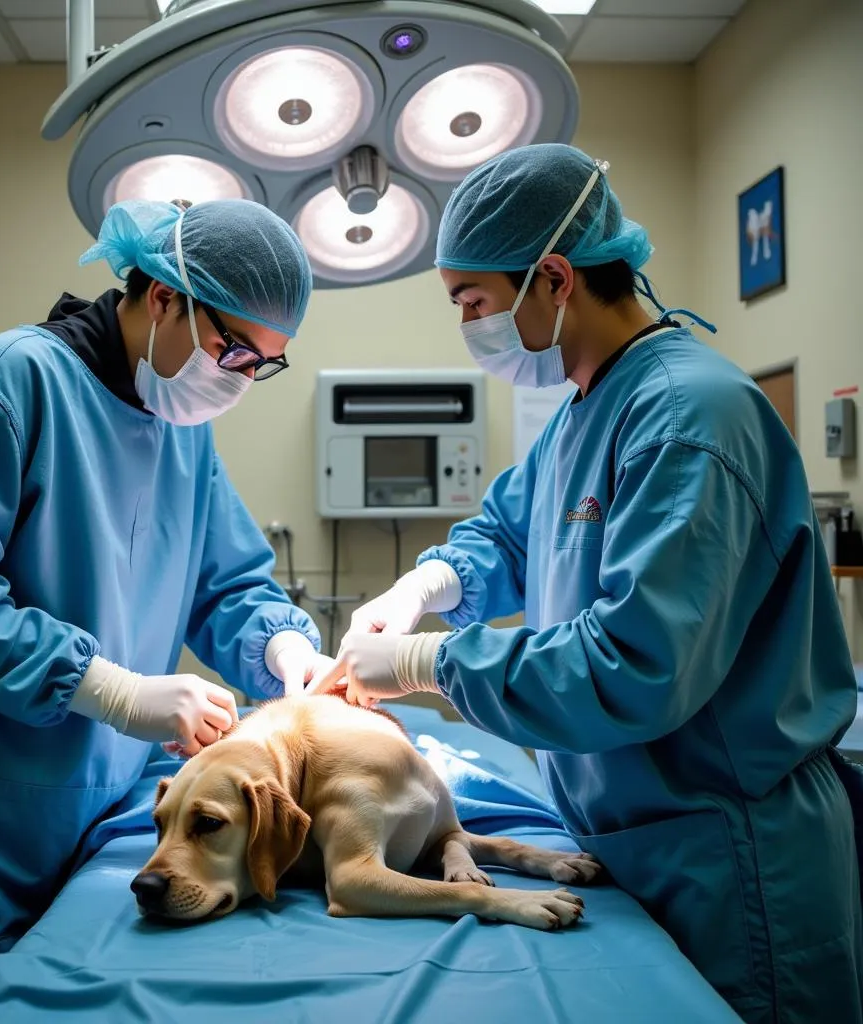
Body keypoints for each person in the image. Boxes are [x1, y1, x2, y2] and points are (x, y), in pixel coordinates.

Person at [311, 143, 863, 1022]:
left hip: (729, 850)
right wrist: (425, 586)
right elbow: (503, 533)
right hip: (634, 836)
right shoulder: (586, 406)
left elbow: (634, 663)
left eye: (472, 301)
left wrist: (429, 663)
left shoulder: (690, 418)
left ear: (555, 278)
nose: (467, 323)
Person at [0, 197, 333, 1022]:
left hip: (94, 808)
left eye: (262, 364)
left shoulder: (181, 429)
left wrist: (284, 648)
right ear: (165, 297)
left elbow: (230, 583)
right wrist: (110, 689)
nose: (241, 376)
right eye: (233, 349)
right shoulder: (6, 382)